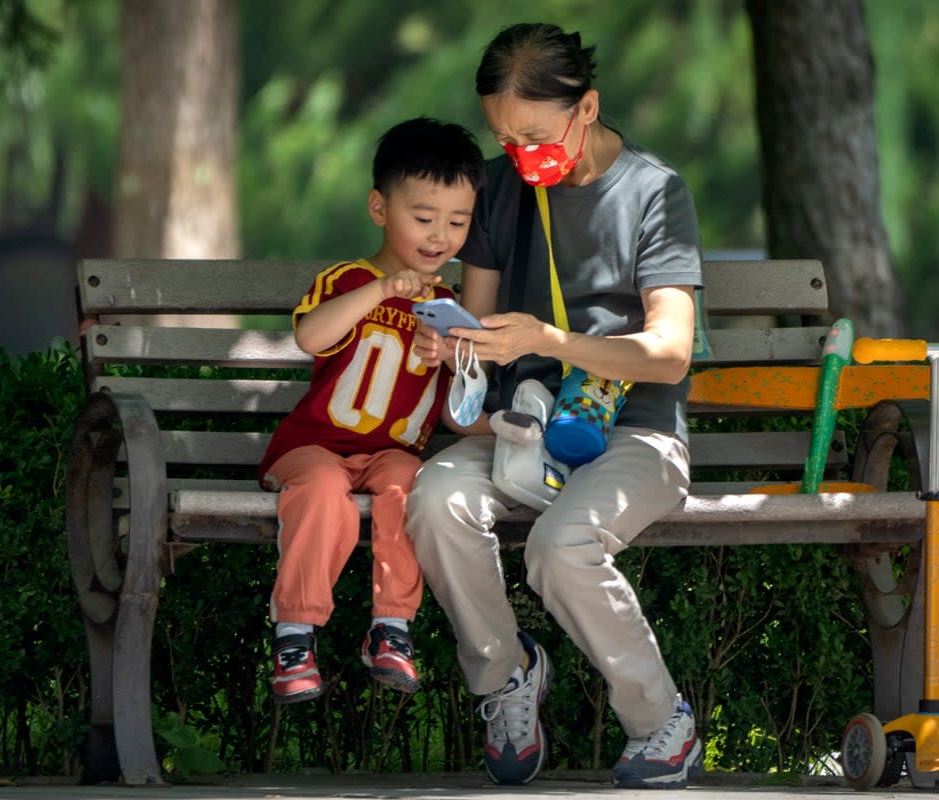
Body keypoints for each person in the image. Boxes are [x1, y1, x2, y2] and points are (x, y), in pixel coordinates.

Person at [408, 23, 704, 789]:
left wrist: (551, 340)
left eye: (534, 135)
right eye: (504, 138)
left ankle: (660, 719)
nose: (518, 155)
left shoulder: (653, 192)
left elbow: (670, 349)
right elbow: (474, 328)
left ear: (588, 106)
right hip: (521, 430)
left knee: (560, 545)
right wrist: (456, 354)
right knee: (436, 496)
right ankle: (507, 678)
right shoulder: (501, 188)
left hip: (635, 433)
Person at [257, 117, 487, 704]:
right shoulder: (349, 281)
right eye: (424, 217)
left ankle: (392, 628)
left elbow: (465, 403)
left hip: (391, 455)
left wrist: (449, 357)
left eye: (457, 222)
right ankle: (295, 634)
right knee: (322, 487)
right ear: (379, 208)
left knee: (412, 488)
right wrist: (382, 291)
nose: (440, 236)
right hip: (315, 447)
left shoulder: (448, 306)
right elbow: (312, 336)